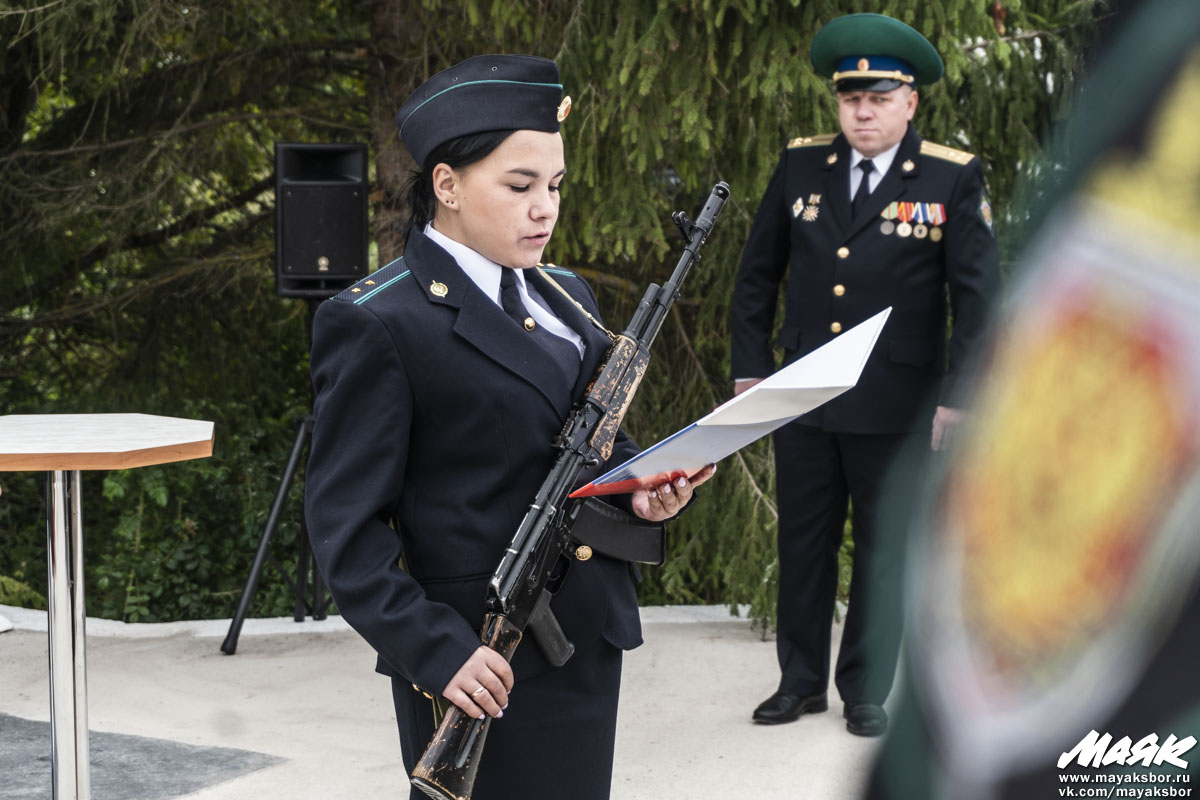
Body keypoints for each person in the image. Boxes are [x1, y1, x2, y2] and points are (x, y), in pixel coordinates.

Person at [303, 54, 711, 800]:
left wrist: (641, 490)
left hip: (583, 636)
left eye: (554, 186)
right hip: (477, 660)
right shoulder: (379, 321)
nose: (544, 208)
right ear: (447, 185)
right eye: (519, 186)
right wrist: (434, 650)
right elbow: (344, 529)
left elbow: (590, 447)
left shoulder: (566, 295)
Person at [729, 13, 997, 737]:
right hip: (804, 396)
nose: (863, 111)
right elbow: (757, 278)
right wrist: (750, 369)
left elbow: (976, 298)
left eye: (879, 98)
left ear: (911, 102)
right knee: (804, 542)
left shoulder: (949, 175)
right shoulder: (801, 166)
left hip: (899, 401)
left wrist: (961, 398)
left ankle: (868, 688)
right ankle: (799, 682)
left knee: (884, 546)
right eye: (851, 98)